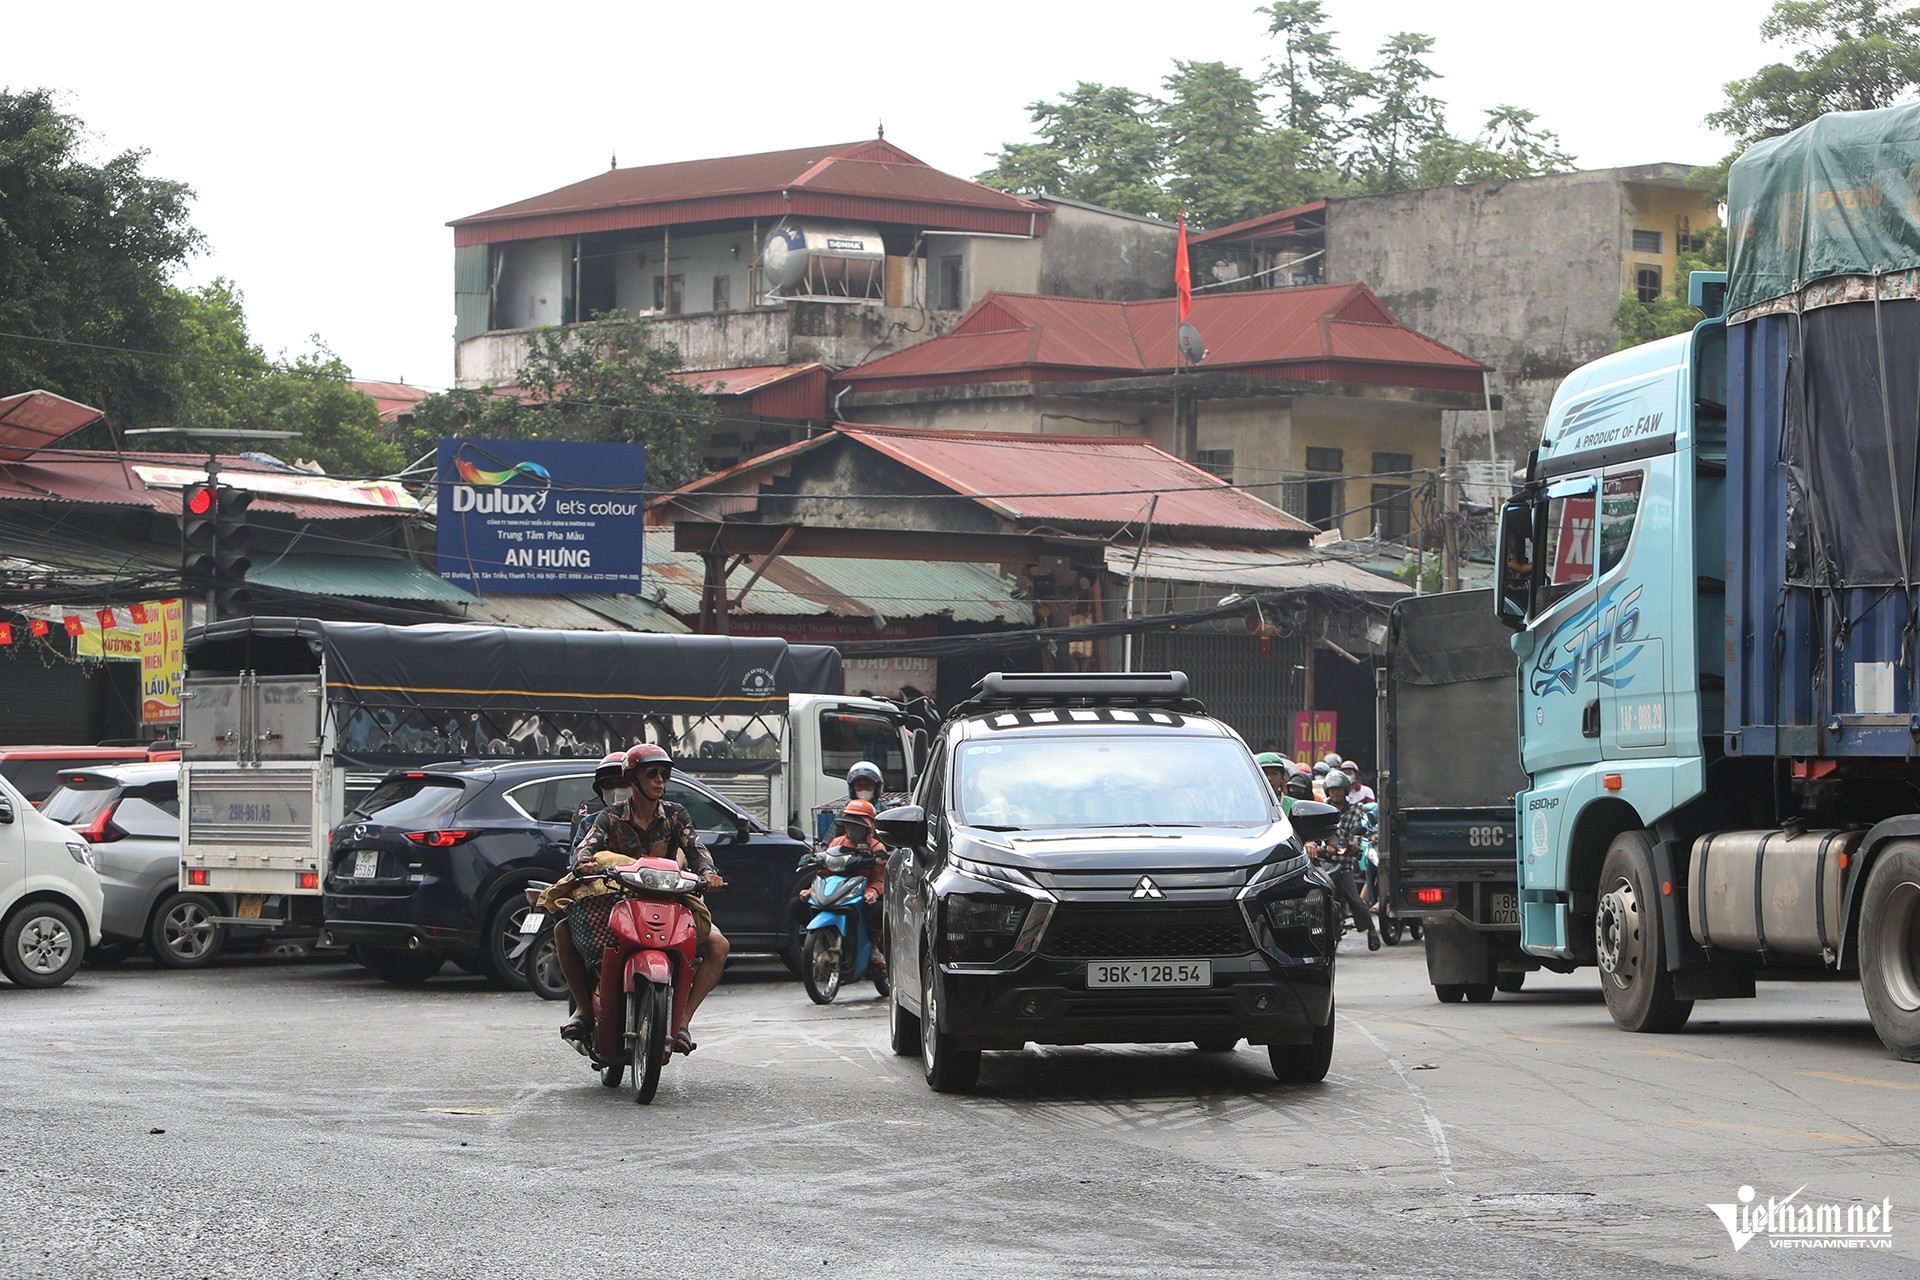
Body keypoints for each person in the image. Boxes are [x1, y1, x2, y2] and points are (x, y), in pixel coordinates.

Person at [541, 743, 730, 1056]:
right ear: (633, 778)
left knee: (719, 946)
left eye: (664, 774)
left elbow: (696, 849)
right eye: (652, 773)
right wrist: (585, 861)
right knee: (563, 930)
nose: (660, 780)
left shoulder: (676, 814)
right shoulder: (609, 817)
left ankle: (682, 1023)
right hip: (619, 902)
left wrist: (708, 873)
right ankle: (585, 1012)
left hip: (670, 900)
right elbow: (585, 848)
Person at [801, 798, 888, 965]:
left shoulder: (877, 847)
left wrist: (872, 892)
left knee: (879, 911)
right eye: (850, 823)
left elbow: (879, 879)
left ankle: (874, 945)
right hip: (837, 891)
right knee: (796, 905)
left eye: (858, 824)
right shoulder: (836, 843)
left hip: (861, 893)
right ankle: (821, 937)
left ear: (867, 826)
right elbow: (825, 872)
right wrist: (812, 890)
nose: (852, 828)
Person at [1314, 770, 1382, 951]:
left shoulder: (1354, 812)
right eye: (1333, 790)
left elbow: (1357, 834)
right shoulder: (1322, 809)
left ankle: (1372, 930)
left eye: (1339, 790)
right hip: (1324, 864)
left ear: (1345, 790)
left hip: (1343, 865)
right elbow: (1316, 833)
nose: (1336, 793)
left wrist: (1354, 845)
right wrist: (1320, 845)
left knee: (1355, 899)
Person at [569, 751, 629, 848]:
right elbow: (579, 857)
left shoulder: (658, 817)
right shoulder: (589, 821)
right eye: (609, 785)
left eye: (623, 784)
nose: (616, 791)